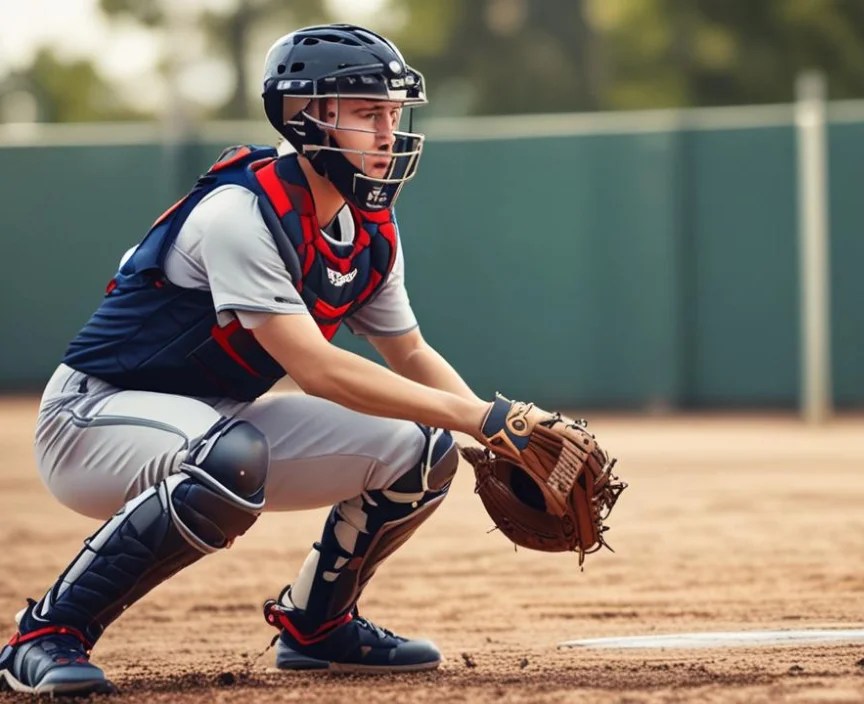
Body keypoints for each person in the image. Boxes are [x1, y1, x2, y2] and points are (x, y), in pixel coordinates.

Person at [0, 23, 540, 696]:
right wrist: (482, 417)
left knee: (423, 449)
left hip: (216, 420)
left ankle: (318, 626)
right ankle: (44, 634)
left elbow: (408, 352)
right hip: (90, 420)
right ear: (302, 116)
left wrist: (496, 434)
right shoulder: (241, 211)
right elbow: (317, 370)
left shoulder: (370, 224)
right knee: (231, 457)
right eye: (367, 113)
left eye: (393, 113)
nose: (388, 133)